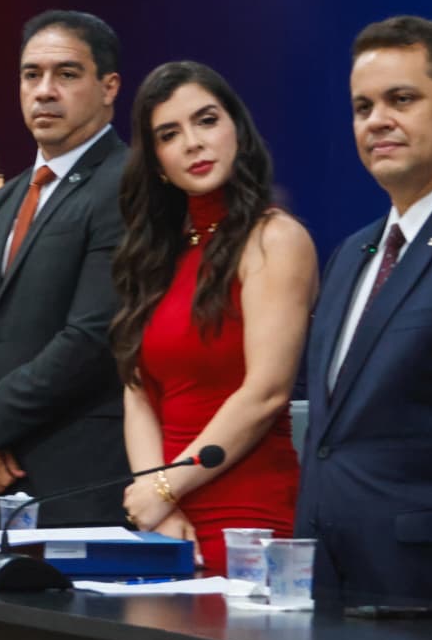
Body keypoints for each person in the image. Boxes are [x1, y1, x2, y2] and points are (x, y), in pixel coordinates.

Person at [296, 16, 432, 604]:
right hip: (325, 576)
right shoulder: (351, 253)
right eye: (363, 107)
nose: (377, 120)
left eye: (401, 99)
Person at [111, 62, 317, 573]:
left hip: (246, 514)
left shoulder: (275, 238)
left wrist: (165, 487)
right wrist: (158, 500)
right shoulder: (157, 255)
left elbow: (266, 393)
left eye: (206, 120)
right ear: (157, 162)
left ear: (238, 131)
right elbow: (137, 392)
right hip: (166, 517)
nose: (193, 143)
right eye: (169, 134)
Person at [0, 9, 129, 526]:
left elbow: (92, 336)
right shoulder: (6, 199)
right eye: (31, 75)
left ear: (109, 87)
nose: (44, 91)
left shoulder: (127, 183)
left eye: (66, 74)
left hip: (76, 476)